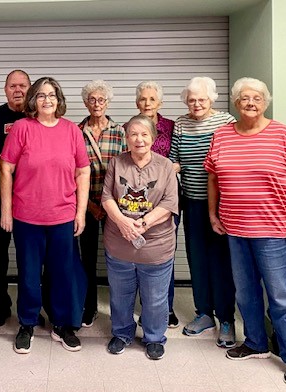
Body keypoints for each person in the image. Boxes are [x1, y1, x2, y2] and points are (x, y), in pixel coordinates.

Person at [205, 77, 286, 386]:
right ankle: (255, 343)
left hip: (274, 231)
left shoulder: (282, 134)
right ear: (236, 103)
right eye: (244, 98)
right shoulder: (222, 135)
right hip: (235, 229)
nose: (250, 102)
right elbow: (213, 177)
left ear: (265, 102)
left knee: (279, 296)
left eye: (256, 98)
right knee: (246, 292)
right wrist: (213, 214)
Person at [1, 76, 90, 354]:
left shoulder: (71, 130)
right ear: (33, 101)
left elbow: (83, 171)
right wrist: (6, 210)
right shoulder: (22, 129)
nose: (47, 100)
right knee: (28, 274)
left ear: (59, 99)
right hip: (27, 216)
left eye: (51, 95)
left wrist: (81, 212)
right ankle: (26, 323)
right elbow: (6, 169)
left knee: (62, 273)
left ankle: (62, 323)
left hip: (62, 216)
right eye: (41, 95)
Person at [102, 114, 178, 360]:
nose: (139, 139)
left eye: (144, 134)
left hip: (156, 246)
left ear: (153, 138)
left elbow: (169, 203)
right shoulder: (117, 163)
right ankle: (122, 333)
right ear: (126, 138)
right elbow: (107, 197)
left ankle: (154, 337)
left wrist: (143, 223)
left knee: (155, 298)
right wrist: (123, 222)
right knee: (120, 295)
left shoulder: (165, 166)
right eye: (133, 134)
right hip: (119, 242)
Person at [169, 77, 236, 347]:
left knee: (221, 261)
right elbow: (175, 160)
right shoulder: (181, 124)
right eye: (192, 99)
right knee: (197, 258)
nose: (196, 104)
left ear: (212, 100)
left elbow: (231, 158)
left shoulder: (226, 122)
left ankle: (227, 319)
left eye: (202, 99)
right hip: (192, 200)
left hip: (221, 203)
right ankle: (204, 313)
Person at [0, 69, 31, 327]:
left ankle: (29, 307)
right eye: (13, 85)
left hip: (30, 198)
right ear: (5, 89)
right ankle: (0, 306)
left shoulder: (37, 116)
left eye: (22, 85)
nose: (18, 90)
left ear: (30, 88)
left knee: (29, 257)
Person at [77, 79, 127, 328]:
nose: (97, 104)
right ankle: (89, 306)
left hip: (114, 205)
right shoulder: (76, 131)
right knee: (86, 258)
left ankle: (120, 310)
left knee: (116, 258)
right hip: (85, 204)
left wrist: (111, 205)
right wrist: (88, 205)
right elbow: (71, 172)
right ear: (86, 103)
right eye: (92, 99)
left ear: (108, 102)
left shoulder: (120, 131)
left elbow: (127, 169)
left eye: (101, 100)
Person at [135, 81, 179, 328]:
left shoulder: (171, 128)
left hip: (165, 201)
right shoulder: (129, 128)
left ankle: (166, 308)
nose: (147, 103)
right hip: (135, 202)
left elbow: (178, 160)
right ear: (136, 102)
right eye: (142, 99)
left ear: (160, 103)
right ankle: (142, 306)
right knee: (137, 253)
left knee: (163, 254)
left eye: (152, 99)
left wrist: (167, 171)